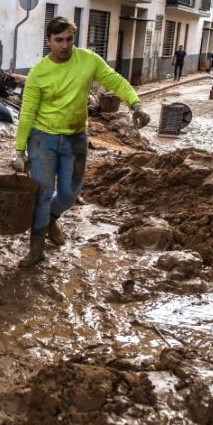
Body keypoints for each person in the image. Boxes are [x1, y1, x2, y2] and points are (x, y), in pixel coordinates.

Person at [12, 16, 150, 267]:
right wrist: (20, 150)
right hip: (43, 138)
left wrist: (135, 104)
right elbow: (27, 113)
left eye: (69, 39)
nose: (64, 45)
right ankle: (36, 248)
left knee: (70, 192)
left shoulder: (88, 60)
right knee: (43, 193)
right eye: (58, 40)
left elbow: (116, 81)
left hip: (75, 139)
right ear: (48, 41)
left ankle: (52, 218)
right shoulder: (38, 73)